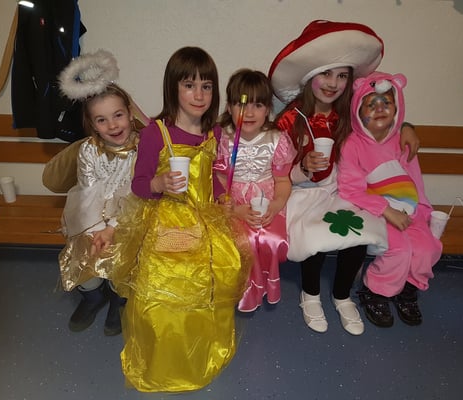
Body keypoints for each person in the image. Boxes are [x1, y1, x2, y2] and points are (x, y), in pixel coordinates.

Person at [111, 47, 251, 392]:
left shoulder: (214, 132)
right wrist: (158, 183)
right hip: (169, 222)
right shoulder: (155, 133)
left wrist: (222, 196)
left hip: (206, 219)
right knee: (172, 286)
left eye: (206, 86)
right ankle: (166, 361)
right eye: (189, 85)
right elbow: (139, 184)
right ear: (172, 87)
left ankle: (201, 353)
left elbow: (212, 177)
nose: (199, 95)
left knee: (217, 275)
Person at [269, 20, 420, 335]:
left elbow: (383, 114)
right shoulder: (290, 119)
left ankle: (342, 295)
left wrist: (408, 127)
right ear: (310, 77)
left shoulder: (349, 111)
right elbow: (277, 171)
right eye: (326, 73)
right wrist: (303, 168)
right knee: (315, 235)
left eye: (341, 76)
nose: (333, 83)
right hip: (302, 193)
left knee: (360, 231)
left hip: (342, 189)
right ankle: (310, 294)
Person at [337, 71, 442, 327]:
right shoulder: (353, 145)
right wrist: (386, 210)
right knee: (400, 250)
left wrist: (423, 212)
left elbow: (415, 180)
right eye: (371, 104)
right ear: (358, 110)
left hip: (409, 212)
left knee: (427, 249)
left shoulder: (402, 142)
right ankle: (376, 291)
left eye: (387, 102)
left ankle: (408, 288)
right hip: (377, 212)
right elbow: (350, 189)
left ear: (397, 108)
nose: (380, 109)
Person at [57, 50, 138, 336]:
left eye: (118, 115)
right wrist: (95, 231)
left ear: (130, 114)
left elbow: (138, 195)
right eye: (101, 120)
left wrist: (112, 228)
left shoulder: (141, 148)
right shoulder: (88, 150)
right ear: (92, 125)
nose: (113, 125)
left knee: (123, 250)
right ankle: (92, 295)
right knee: (84, 247)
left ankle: (118, 296)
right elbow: (87, 192)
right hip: (93, 214)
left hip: (128, 215)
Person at [214, 69, 297, 312]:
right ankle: (242, 290)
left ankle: (263, 286)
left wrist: (276, 205)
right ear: (229, 107)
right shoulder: (222, 139)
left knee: (272, 239)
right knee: (243, 240)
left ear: (268, 109)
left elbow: (283, 181)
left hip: (267, 199)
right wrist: (233, 209)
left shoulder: (277, 139)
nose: (249, 113)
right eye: (241, 104)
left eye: (258, 105)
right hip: (232, 202)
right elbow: (218, 179)